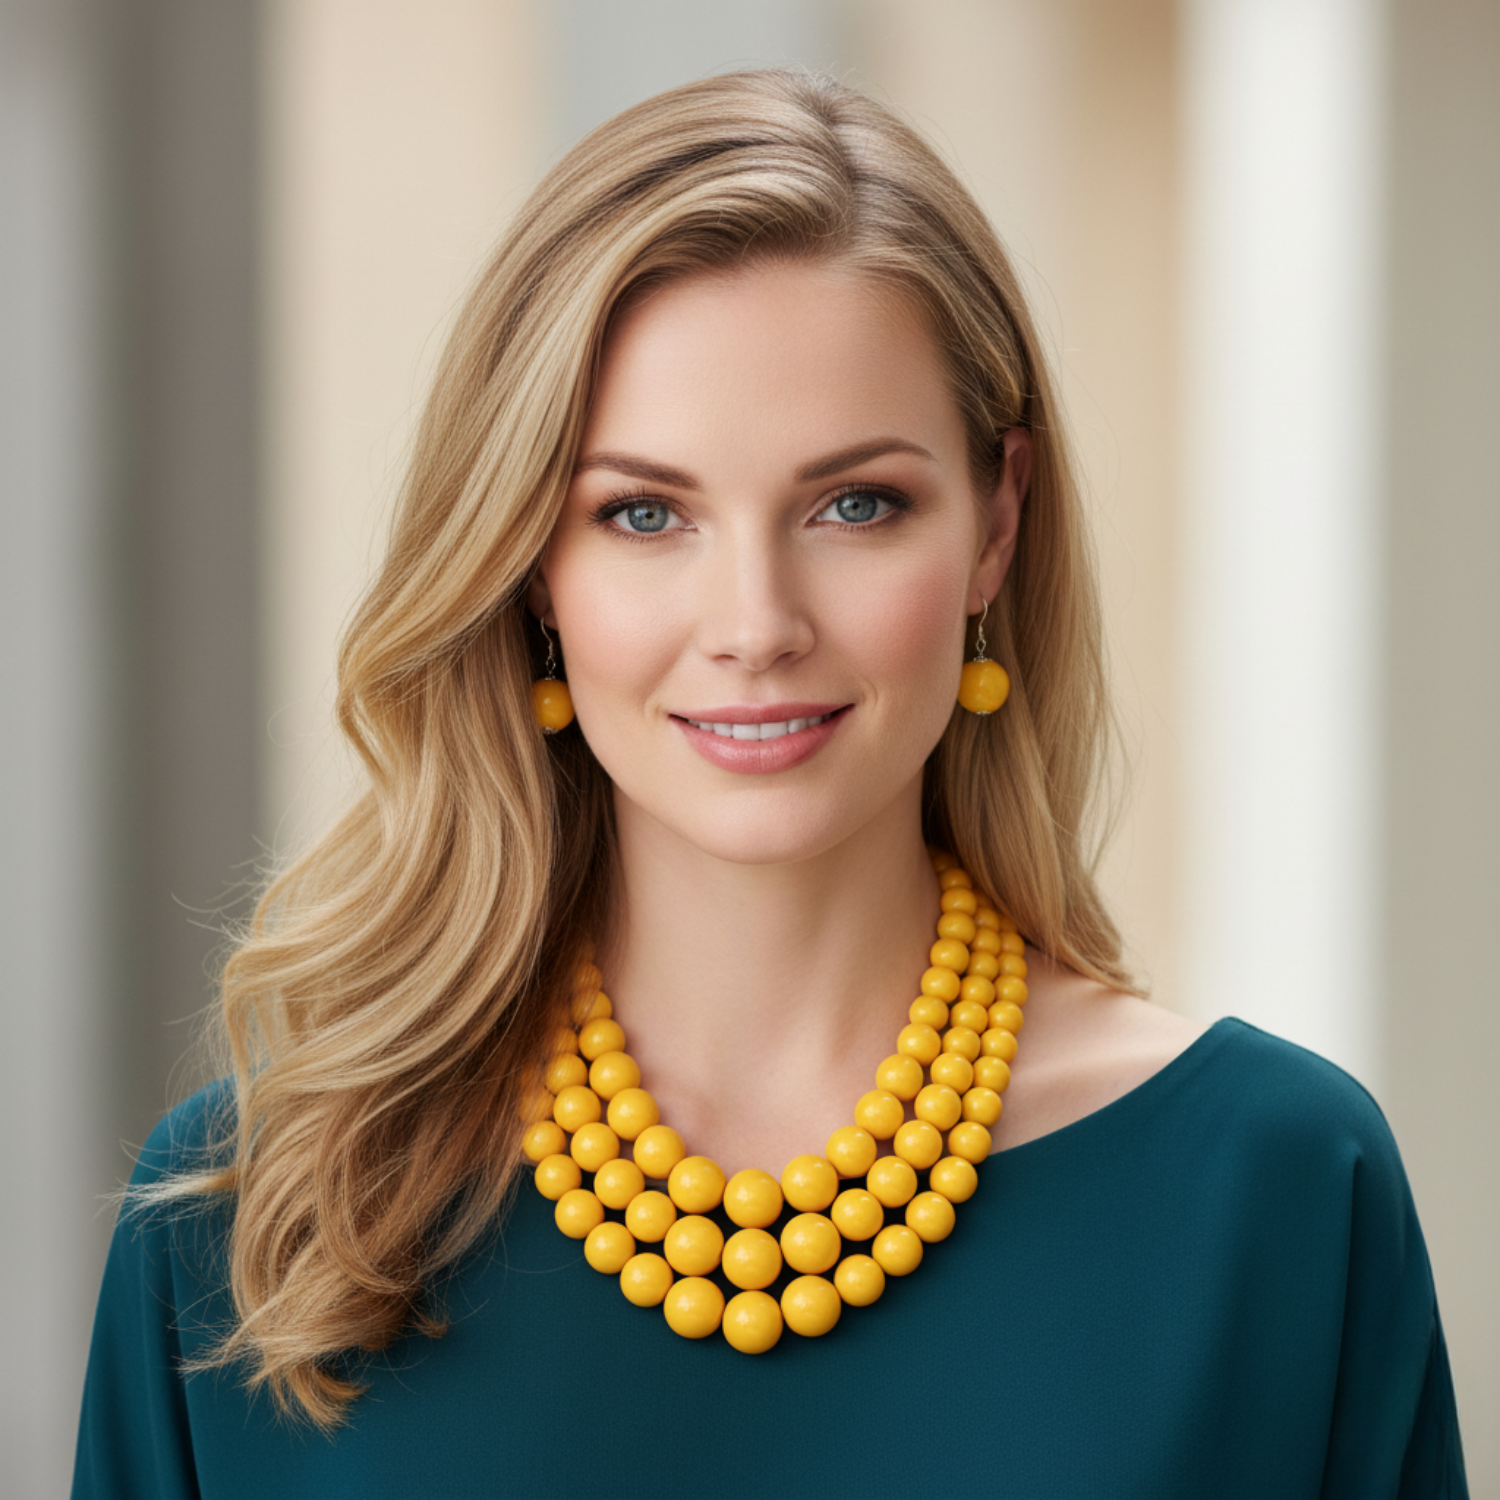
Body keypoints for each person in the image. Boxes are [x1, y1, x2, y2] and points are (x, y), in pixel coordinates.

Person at [73, 70, 1466, 1498]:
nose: (754, 621)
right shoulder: (255, 1216)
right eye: (644, 513)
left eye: (855, 505)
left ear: (998, 523)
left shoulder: (1280, 1194)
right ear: (530, 568)